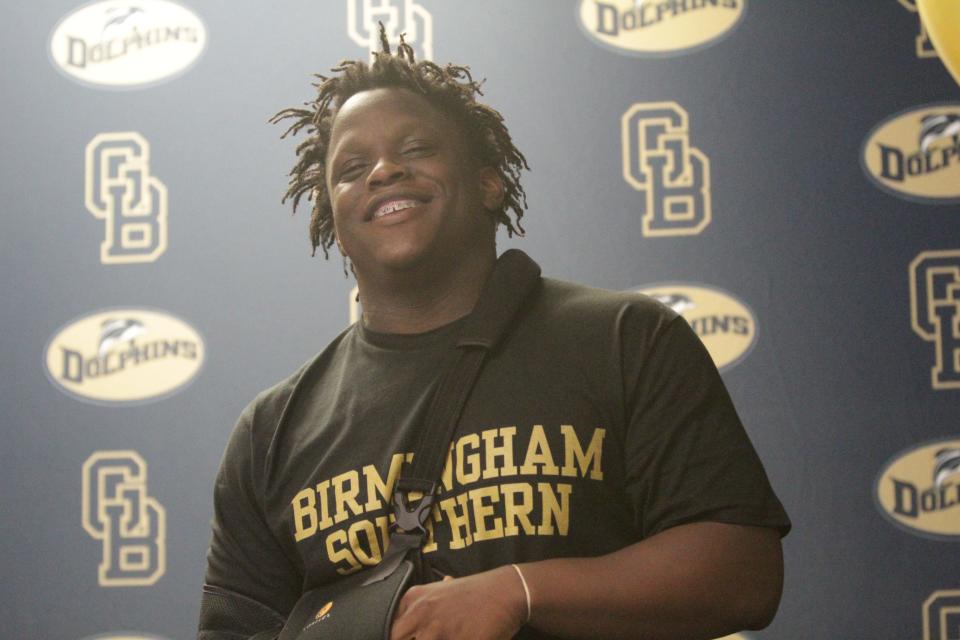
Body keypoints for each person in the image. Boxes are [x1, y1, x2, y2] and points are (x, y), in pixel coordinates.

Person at [198, 29, 790, 640]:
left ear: (488, 182)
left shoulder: (625, 340)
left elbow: (742, 570)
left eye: (416, 148)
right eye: (351, 168)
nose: (384, 170)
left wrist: (521, 591)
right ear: (334, 220)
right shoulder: (271, 431)